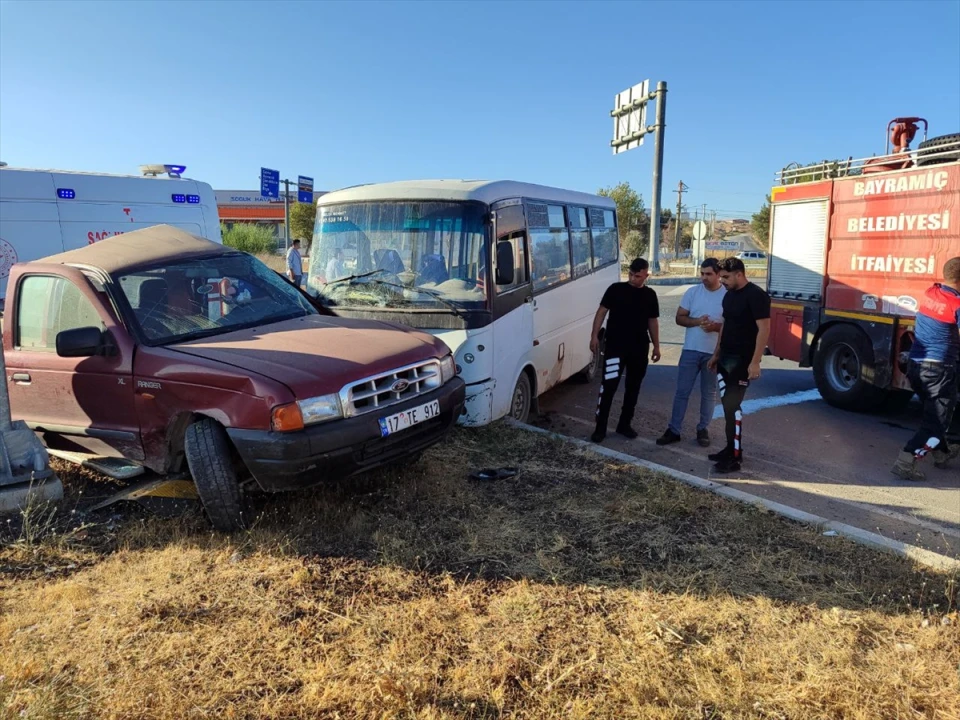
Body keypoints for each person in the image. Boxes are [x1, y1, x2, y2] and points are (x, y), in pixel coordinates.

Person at [891, 256, 960, 481]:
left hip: (916, 367)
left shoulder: (931, 292)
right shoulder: (957, 304)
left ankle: (941, 455)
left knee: (934, 413)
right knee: (935, 424)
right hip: (938, 370)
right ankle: (906, 461)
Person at [706, 257, 770, 473]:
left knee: (733, 407)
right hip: (726, 358)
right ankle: (730, 449)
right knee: (727, 407)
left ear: (739, 274)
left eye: (725, 277)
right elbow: (725, 325)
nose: (721, 281)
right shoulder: (729, 295)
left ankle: (734, 458)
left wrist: (754, 362)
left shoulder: (756, 296)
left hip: (742, 361)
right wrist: (716, 354)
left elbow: (764, 330)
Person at [589, 258, 661, 443]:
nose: (633, 278)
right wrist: (594, 336)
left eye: (637, 276)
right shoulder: (615, 289)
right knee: (609, 386)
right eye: (630, 274)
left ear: (646, 275)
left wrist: (657, 346)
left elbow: (653, 321)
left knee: (633, 388)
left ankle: (624, 424)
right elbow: (601, 312)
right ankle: (600, 427)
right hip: (615, 348)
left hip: (639, 348)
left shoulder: (650, 295)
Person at [657, 258, 726, 447]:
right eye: (702, 273)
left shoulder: (727, 295)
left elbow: (732, 325)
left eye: (708, 274)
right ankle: (674, 430)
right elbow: (680, 318)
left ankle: (703, 429)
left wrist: (715, 327)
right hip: (690, 350)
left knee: (708, 393)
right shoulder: (692, 292)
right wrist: (697, 322)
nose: (704, 277)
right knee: (682, 392)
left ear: (718, 274)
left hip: (713, 352)